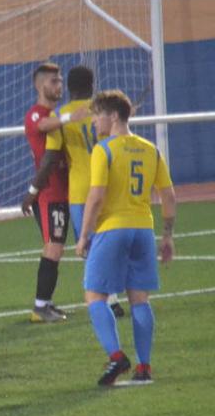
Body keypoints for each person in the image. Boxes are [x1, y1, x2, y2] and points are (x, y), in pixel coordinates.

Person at [75, 90, 175, 387]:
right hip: (143, 230)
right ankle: (143, 366)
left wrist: (84, 236)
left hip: (113, 229)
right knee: (140, 300)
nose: (94, 121)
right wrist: (167, 236)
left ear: (113, 116)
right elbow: (168, 196)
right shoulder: (150, 149)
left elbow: (96, 197)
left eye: (97, 115)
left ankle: (117, 356)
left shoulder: (103, 150)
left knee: (94, 296)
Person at [56, 66, 126, 318]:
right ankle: (114, 298)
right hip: (108, 184)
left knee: (89, 246)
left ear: (68, 87)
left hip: (79, 189)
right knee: (107, 242)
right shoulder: (104, 111)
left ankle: (101, 298)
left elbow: (53, 151)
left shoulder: (62, 114)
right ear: (92, 84)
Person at [19, 62, 71, 323]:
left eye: (60, 81)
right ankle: (40, 307)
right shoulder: (36, 115)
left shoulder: (54, 115)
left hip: (61, 192)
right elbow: (43, 127)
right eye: (53, 81)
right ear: (40, 85)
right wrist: (75, 115)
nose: (59, 85)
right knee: (53, 247)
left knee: (55, 247)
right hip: (49, 193)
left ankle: (47, 303)